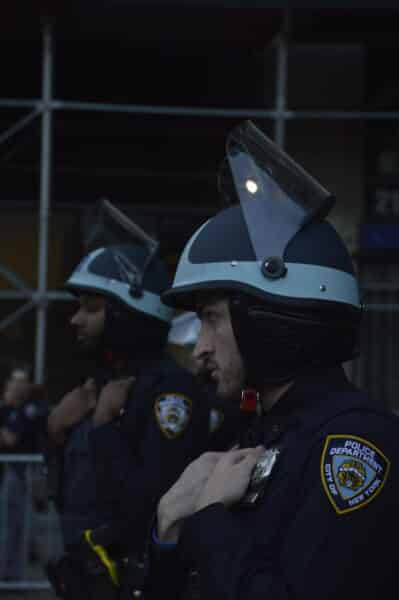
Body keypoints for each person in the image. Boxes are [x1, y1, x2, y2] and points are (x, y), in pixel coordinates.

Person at [146, 120, 399, 600]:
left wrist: (212, 520)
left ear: (270, 320)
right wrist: (167, 530)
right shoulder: (260, 432)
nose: (200, 346)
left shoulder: (353, 447)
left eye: (212, 319)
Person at [44, 202, 217, 599]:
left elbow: (153, 503)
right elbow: (73, 496)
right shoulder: (97, 386)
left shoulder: (169, 393)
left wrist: (105, 428)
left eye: (91, 308)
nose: (75, 320)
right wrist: (53, 435)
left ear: (128, 313)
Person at [0, 365, 45, 580]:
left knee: (18, 525)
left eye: (22, 381)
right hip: (14, 471)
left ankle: (12, 576)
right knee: (13, 524)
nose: (17, 386)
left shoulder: (30, 409)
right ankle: (11, 573)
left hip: (24, 473)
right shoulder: (10, 408)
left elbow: (11, 440)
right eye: (14, 381)